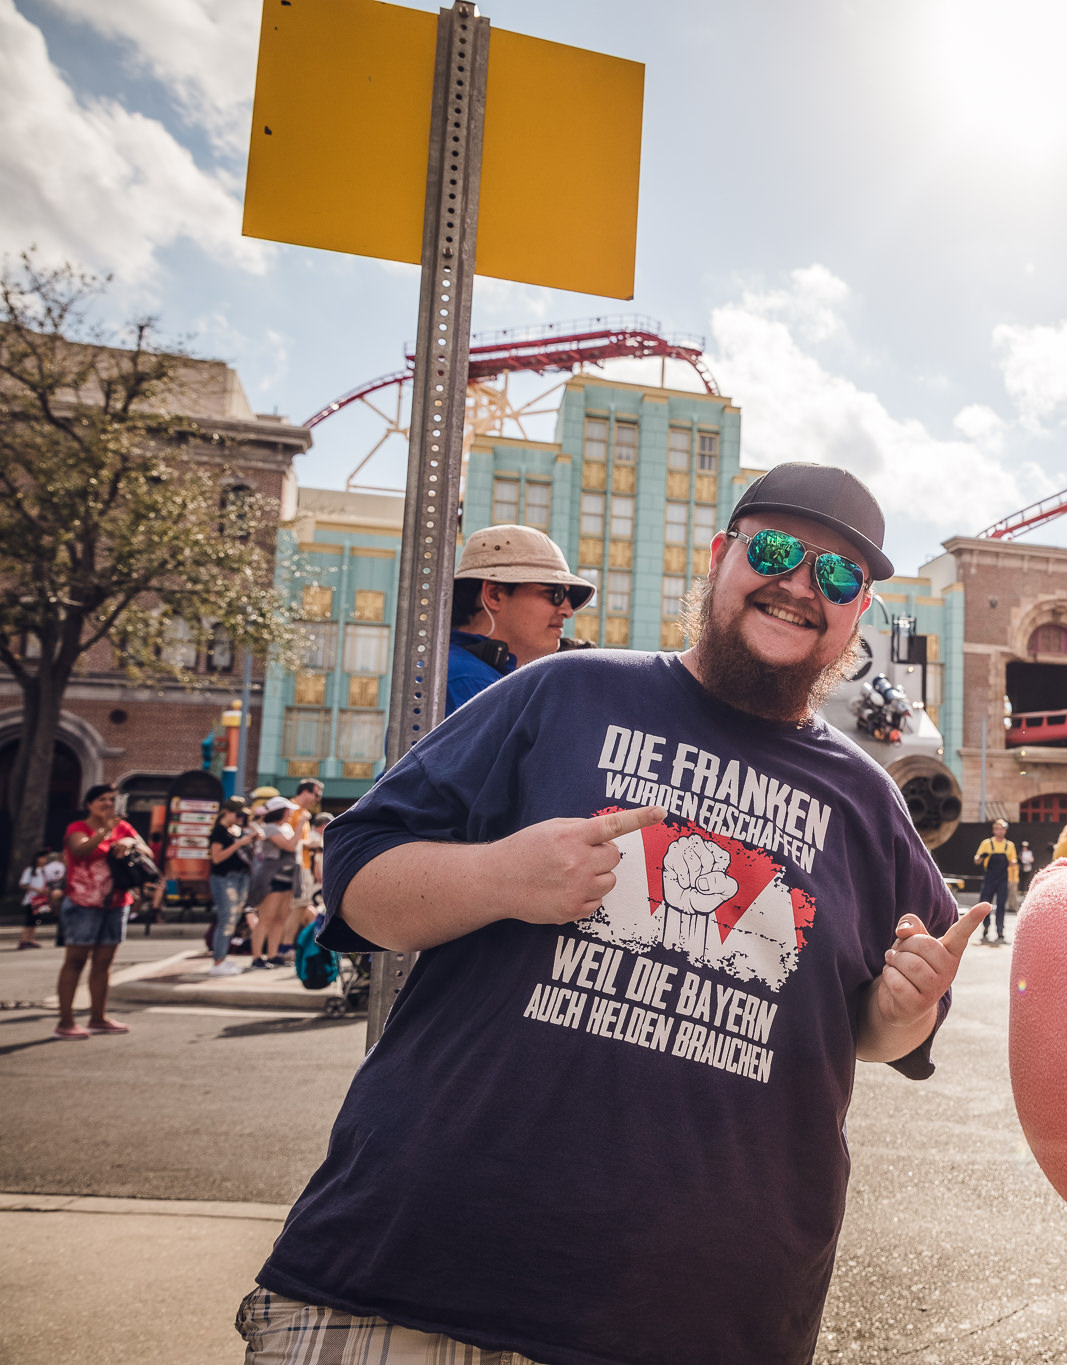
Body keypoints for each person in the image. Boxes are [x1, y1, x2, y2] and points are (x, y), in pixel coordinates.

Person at [241, 460, 989, 1365]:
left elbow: (873, 1028)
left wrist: (902, 1013)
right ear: (719, 557)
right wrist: (503, 879)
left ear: (856, 613)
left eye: (837, 576)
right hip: (408, 1285)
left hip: (702, 1324)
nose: (800, 585)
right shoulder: (565, 693)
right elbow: (356, 873)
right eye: (779, 550)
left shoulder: (867, 802)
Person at [447, 524, 594, 713]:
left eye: (569, 598)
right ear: (494, 594)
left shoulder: (475, 673)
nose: (568, 610)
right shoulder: (472, 682)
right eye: (555, 593)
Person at [52, 785, 140, 1039]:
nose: (108, 803)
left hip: (116, 902)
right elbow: (81, 850)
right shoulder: (77, 828)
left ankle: (98, 1018)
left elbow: (144, 850)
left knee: (104, 962)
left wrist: (127, 840)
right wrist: (105, 831)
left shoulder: (123, 828)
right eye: (102, 799)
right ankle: (66, 1021)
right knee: (76, 960)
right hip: (83, 903)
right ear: (88, 804)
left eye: (112, 799)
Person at [245, 798, 301, 969]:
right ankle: (256, 957)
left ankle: (273, 954)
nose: (291, 813)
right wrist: (301, 825)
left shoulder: (285, 827)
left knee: (280, 919)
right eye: (288, 810)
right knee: (266, 919)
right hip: (271, 878)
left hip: (288, 878)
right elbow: (290, 846)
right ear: (281, 811)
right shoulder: (270, 828)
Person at [208, 799, 257, 975]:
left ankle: (222, 959)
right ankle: (218, 962)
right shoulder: (219, 831)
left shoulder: (236, 829)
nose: (240, 817)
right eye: (238, 814)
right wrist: (238, 844)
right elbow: (216, 858)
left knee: (234, 918)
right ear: (226, 812)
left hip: (241, 877)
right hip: (225, 878)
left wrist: (249, 829)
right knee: (226, 919)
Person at [974, 819, 1018, 945]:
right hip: (989, 878)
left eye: (1002, 828)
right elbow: (976, 860)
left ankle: (1000, 930)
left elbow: (1013, 860)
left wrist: (1014, 862)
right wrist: (981, 857)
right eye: (997, 828)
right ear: (994, 830)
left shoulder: (1009, 845)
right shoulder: (986, 843)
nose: (1000, 831)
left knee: (1001, 905)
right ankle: (985, 927)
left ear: (1005, 830)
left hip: (1003, 879)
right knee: (985, 904)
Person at [288, 779, 324, 934]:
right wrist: (309, 844)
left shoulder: (302, 813)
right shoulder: (291, 810)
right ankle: (284, 947)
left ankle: (285, 947)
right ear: (305, 792)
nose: (318, 799)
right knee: (296, 907)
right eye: (316, 795)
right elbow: (287, 841)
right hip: (294, 866)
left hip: (302, 866)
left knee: (300, 908)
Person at [17, 844, 56, 949]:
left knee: (36, 920)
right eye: (43, 858)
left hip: (40, 900)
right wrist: (37, 890)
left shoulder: (43, 871)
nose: (45, 860)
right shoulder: (30, 870)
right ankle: (24, 939)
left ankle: (30, 939)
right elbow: (22, 884)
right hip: (32, 899)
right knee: (29, 920)